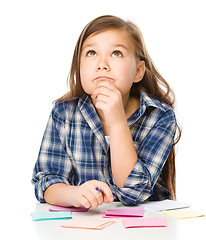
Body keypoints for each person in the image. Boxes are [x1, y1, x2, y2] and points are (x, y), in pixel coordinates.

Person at [32, 15, 181, 209]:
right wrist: (73, 194)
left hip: (144, 227)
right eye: (92, 53)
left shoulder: (159, 116)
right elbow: (46, 182)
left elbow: (132, 192)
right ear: (79, 66)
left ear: (138, 71)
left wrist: (117, 121)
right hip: (85, 226)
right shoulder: (64, 113)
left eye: (116, 53)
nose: (102, 64)